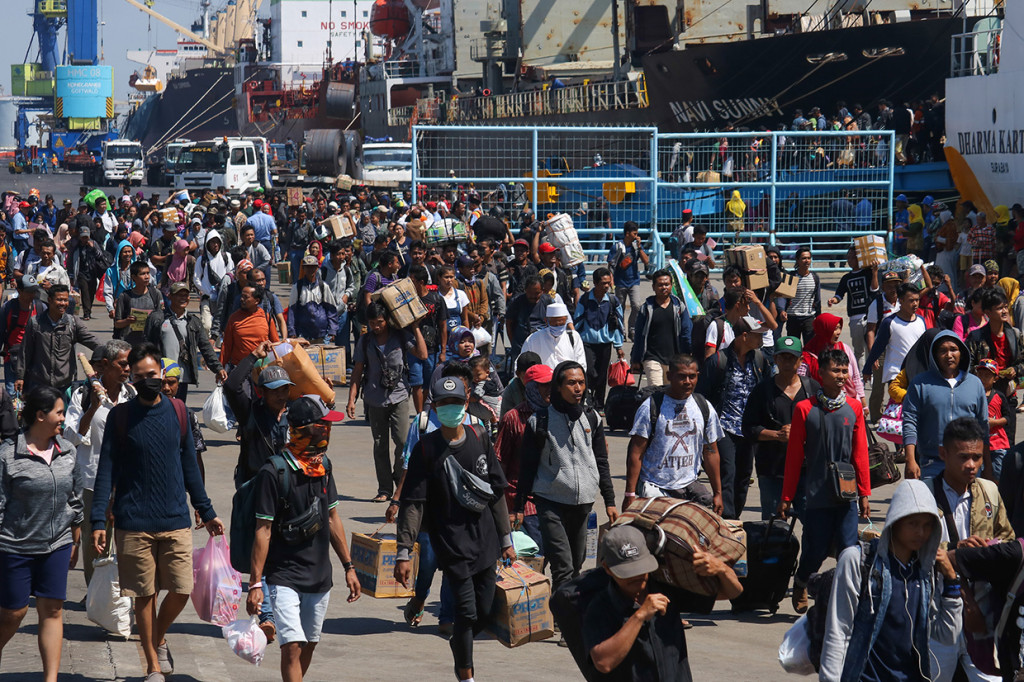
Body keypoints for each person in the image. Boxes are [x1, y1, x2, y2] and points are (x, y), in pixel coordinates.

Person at [90, 342, 225, 682]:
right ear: (130, 380)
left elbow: (189, 467)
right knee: (144, 594)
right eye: (139, 377)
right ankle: (152, 664)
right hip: (133, 522)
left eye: (152, 375)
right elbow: (106, 470)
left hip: (175, 519)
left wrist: (206, 511)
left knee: (181, 589)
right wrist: (98, 520)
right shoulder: (120, 417)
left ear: (162, 374)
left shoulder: (179, 412)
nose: (147, 381)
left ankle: (157, 636)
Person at [395, 374, 515, 682]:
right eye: (444, 403)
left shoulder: (480, 437)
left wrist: (506, 539)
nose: (451, 408)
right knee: (466, 613)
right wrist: (403, 552)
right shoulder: (426, 449)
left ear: (467, 402)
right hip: (451, 544)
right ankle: (466, 675)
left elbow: (496, 492)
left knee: (484, 613)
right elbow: (414, 505)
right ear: (434, 406)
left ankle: (459, 644)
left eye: (456, 402)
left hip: (486, 542)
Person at [246, 394, 360, 682]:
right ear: (303, 429)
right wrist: (256, 582)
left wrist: (349, 567)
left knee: (309, 643)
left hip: (320, 576)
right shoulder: (273, 472)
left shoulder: (324, 467)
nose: (326, 432)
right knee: (292, 646)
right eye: (321, 426)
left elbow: (333, 518)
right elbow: (263, 529)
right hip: (285, 576)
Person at [818, 480, 961, 681]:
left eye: (927, 525)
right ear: (896, 520)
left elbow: (947, 635)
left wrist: (952, 582)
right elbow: (838, 631)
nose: (921, 532)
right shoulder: (858, 561)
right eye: (913, 523)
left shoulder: (924, 571)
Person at [584, 525, 741, 681]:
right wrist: (639, 616)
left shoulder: (666, 587)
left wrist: (723, 570)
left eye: (640, 568)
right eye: (627, 572)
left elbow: (732, 592)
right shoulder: (599, 606)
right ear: (607, 568)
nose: (636, 576)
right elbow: (603, 662)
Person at [0, 386, 82, 682]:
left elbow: (75, 496)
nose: (63, 418)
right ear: (40, 415)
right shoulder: (8, 454)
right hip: (15, 546)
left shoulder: (67, 450)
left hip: (56, 544)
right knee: (13, 614)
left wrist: (76, 533)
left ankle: (50, 679)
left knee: (53, 610)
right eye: (59, 412)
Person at [780, 348, 871, 614]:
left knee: (849, 549)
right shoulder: (804, 409)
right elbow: (794, 457)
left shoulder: (853, 407)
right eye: (836, 370)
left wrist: (864, 493)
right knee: (815, 549)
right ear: (821, 373)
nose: (841, 376)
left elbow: (860, 453)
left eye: (844, 371)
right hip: (816, 493)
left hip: (846, 493)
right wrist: (786, 497)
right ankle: (802, 581)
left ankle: (843, 601)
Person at [516, 362, 618, 596]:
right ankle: (567, 623)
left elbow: (601, 461)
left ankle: (565, 609)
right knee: (563, 566)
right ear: (558, 387)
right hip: (550, 502)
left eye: (581, 382)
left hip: (583, 504)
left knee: (577, 565)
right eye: (571, 383)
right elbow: (528, 466)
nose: (578, 388)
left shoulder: (592, 418)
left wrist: (610, 501)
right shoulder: (539, 421)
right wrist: (519, 506)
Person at [927, 417, 1013, 682]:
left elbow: (1008, 542)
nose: (972, 465)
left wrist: (991, 549)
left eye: (977, 457)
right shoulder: (922, 494)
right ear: (943, 453)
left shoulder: (990, 491)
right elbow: (904, 549)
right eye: (963, 457)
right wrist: (955, 550)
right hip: (936, 614)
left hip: (983, 616)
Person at [62, 340, 133, 586]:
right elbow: (69, 438)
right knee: (96, 542)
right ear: (105, 365)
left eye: (129, 364)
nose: (127, 369)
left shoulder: (131, 395)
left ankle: (120, 597)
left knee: (126, 542)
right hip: (92, 480)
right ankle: (95, 594)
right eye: (122, 364)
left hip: (126, 482)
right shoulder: (82, 396)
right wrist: (92, 408)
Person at [347, 301, 428, 502]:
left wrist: (416, 327)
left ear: (387, 321)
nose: (376, 326)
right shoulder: (365, 342)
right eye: (373, 322)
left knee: (402, 441)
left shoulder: (400, 336)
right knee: (380, 445)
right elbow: (357, 371)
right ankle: (384, 489)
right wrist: (351, 399)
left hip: (399, 396)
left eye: (380, 322)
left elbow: (423, 354)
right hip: (374, 398)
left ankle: (400, 480)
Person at [625, 353, 723, 514]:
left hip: (688, 485)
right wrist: (630, 494)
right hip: (655, 486)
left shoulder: (704, 407)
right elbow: (636, 453)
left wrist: (718, 493)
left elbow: (711, 451)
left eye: (692, 377)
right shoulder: (651, 407)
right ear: (669, 376)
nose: (688, 382)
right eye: (682, 377)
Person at [697, 316, 771, 519]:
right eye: (757, 335)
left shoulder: (759, 359)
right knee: (727, 472)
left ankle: (734, 516)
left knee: (744, 477)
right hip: (723, 428)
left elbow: (766, 388)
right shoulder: (718, 361)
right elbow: (702, 396)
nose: (761, 338)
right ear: (744, 336)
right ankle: (728, 520)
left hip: (748, 429)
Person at [742, 336, 819, 520]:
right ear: (775, 359)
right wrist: (777, 435)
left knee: (813, 524)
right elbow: (748, 428)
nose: (787, 361)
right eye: (783, 357)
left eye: (792, 357)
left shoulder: (813, 389)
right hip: (772, 471)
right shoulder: (762, 391)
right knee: (773, 527)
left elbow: (824, 425)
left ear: (801, 360)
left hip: (806, 471)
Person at [903, 330, 988, 480]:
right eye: (943, 351)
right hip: (931, 465)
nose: (949, 355)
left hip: (968, 464)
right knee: (934, 504)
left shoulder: (975, 384)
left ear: (961, 352)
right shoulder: (920, 383)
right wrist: (910, 459)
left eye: (953, 349)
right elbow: (910, 422)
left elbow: (983, 426)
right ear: (934, 355)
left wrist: (987, 465)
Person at [144, 282, 227, 404]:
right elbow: (147, 345)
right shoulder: (157, 318)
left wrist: (218, 368)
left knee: (178, 410)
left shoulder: (194, 321)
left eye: (186, 295)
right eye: (179, 295)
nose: (183, 298)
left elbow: (205, 347)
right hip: (160, 376)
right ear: (170, 296)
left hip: (181, 378)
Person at [16, 285, 99, 394]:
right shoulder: (35, 322)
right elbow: (25, 351)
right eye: (59, 300)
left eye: (65, 300)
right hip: (39, 383)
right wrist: (20, 376)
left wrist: (111, 351)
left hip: (65, 384)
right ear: (49, 300)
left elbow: (92, 341)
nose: (63, 303)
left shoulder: (73, 323)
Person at [630, 269, 694, 387]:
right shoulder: (646, 308)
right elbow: (639, 335)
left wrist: (687, 355)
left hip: (674, 360)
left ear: (671, 286)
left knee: (670, 393)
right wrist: (635, 359)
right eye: (660, 285)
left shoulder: (679, 307)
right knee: (656, 391)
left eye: (666, 284)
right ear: (653, 287)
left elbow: (686, 332)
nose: (663, 287)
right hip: (652, 358)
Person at [574, 267, 625, 411]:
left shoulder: (613, 301)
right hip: (587, 343)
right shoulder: (585, 300)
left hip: (605, 344)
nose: (607, 286)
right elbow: (577, 320)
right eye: (604, 283)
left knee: (602, 376)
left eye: (608, 283)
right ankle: (587, 400)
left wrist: (619, 346)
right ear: (595, 283)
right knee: (589, 372)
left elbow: (619, 325)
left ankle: (599, 405)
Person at [798, 313, 866, 406]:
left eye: (839, 328)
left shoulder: (845, 348)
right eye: (834, 328)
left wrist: (863, 402)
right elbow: (801, 383)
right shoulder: (807, 357)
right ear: (823, 330)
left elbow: (856, 377)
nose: (838, 332)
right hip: (820, 406)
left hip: (849, 403)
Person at [827, 248, 878, 365]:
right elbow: (839, 294)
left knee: (871, 347)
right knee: (859, 350)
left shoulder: (868, 273)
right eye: (848, 257)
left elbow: (874, 289)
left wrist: (875, 272)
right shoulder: (846, 278)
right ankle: (859, 377)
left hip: (870, 315)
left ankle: (871, 375)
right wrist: (833, 300)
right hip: (855, 318)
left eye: (853, 257)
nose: (850, 260)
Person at [409, 264, 448, 414]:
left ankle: (426, 411)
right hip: (413, 348)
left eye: (412, 281)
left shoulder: (436, 299)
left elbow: (443, 326)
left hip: (432, 349)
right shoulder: (408, 301)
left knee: (428, 383)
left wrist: (443, 351)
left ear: (421, 282)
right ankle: (419, 415)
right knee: (416, 383)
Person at [0, 275, 45, 396]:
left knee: (33, 395)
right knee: (12, 394)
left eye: (34, 291)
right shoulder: (8, 308)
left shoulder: (41, 308)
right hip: (12, 358)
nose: (33, 295)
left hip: (35, 359)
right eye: (29, 291)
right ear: (19, 291)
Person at [221, 285, 280, 368]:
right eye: (242, 296)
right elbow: (226, 346)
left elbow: (275, 344)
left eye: (246, 297)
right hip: (239, 368)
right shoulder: (234, 318)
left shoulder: (266, 318)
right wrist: (221, 368)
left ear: (257, 301)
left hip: (262, 367)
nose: (242, 299)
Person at [608, 222, 649, 340]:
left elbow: (646, 261)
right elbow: (610, 265)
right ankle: (622, 331)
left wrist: (640, 247)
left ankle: (632, 328)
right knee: (620, 307)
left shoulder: (636, 247)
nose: (637, 236)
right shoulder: (617, 246)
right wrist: (611, 281)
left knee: (636, 305)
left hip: (633, 281)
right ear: (627, 233)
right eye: (634, 233)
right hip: (620, 282)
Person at [519, 302, 587, 371]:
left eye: (561, 323)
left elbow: (581, 363)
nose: (558, 325)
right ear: (546, 321)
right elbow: (522, 362)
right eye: (554, 323)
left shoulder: (574, 337)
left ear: (566, 320)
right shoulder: (534, 339)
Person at [287, 255, 338, 345]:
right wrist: (292, 331)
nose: (310, 270)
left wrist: (332, 330)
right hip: (302, 334)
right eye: (307, 267)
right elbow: (291, 310)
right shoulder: (297, 287)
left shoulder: (323, 286)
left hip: (322, 333)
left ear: (317, 268)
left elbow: (331, 309)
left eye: (313, 267)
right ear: (303, 268)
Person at [113, 260, 163, 345]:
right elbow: (117, 324)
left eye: (148, 273)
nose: (147, 277)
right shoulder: (125, 296)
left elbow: (161, 318)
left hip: (149, 342)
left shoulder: (156, 294)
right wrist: (127, 321)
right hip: (128, 343)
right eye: (142, 274)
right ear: (134, 277)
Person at [785, 247, 821, 341]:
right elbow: (784, 297)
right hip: (793, 317)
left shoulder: (814, 278)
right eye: (804, 258)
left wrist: (818, 317)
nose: (807, 261)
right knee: (793, 347)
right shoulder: (791, 277)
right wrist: (782, 311)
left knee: (810, 347)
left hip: (808, 317)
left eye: (809, 258)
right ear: (797, 260)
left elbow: (817, 300)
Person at [499, 351, 540, 419]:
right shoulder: (511, 391)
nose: (533, 381)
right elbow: (504, 421)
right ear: (518, 374)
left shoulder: (547, 386)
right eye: (528, 377)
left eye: (536, 376)